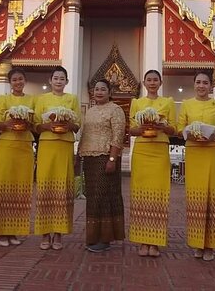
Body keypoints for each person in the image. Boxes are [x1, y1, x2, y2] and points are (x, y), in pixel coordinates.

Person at [178, 70, 215, 261]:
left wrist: (214, 135)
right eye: (198, 82)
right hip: (194, 153)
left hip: (212, 152)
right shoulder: (186, 105)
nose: (201, 86)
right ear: (194, 85)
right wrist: (189, 133)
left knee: (212, 199)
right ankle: (198, 243)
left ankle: (211, 246)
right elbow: (178, 128)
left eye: (205, 83)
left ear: (211, 86)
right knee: (196, 200)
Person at [128, 69, 177, 257]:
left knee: (158, 195)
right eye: (149, 80)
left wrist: (162, 126)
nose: (152, 83)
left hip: (159, 150)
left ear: (161, 83)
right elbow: (131, 130)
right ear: (144, 82)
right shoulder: (137, 103)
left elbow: (174, 129)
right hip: (142, 150)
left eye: (155, 80)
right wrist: (142, 128)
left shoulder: (168, 102)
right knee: (140, 195)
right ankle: (142, 241)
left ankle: (155, 242)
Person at [33, 66, 81, 250]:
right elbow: (36, 125)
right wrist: (48, 125)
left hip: (64, 145)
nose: (59, 81)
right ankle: (45, 233)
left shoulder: (72, 99)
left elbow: (77, 125)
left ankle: (59, 234)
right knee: (46, 186)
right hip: (47, 145)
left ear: (66, 82)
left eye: (62, 78)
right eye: (56, 78)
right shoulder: (42, 99)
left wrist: (68, 124)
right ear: (50, 80)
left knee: (63, 187)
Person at [77, 79, 126, 253]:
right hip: (90, 159)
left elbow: (118, 135)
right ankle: (93, 237)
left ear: (109, 92)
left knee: (104, 198)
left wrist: (112, 159)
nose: (99, 92)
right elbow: (85, 135)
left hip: (105, 158)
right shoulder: (90, 111)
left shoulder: (115, 110)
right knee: (93, 198)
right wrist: (79, 156)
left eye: (103, 89)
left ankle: (104, 239)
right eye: (96, 89)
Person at [0, 67, 36, 247]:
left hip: (25, 145)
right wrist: (9, 122)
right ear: (10, 82)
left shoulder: (32, 100)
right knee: (4, 186)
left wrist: (27, 121)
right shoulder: (2, 100)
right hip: (6, 145)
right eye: (14, 80)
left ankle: (14, 230)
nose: (18, 82)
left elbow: (35, 124)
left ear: (24, 81)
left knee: (21, 188)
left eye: (20, 79)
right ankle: (2, 232)